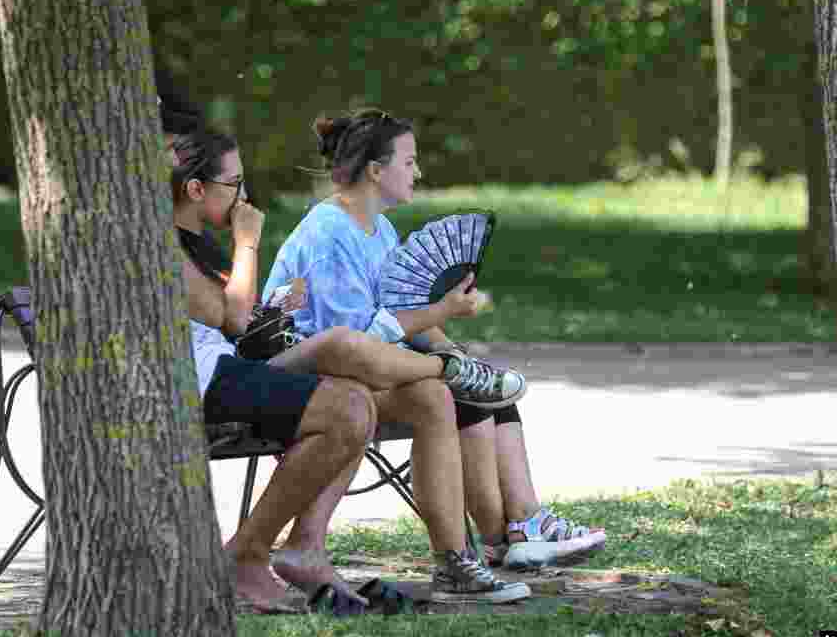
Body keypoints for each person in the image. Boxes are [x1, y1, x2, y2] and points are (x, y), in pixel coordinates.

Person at [166, 123, 530, 607]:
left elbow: (239, 322)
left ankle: (452, 561)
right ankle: (450, 369)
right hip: (215, 380)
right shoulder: (168, 245)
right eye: (234, 183)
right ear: (196, 189)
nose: (244, 197)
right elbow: (230, 318)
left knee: (421, 397)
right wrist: (248, 241)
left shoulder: (203, 246)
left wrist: (276, 306)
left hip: (245, 364)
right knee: (345, 352)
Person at [262, 109, 608, 570]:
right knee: (456, 392)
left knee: (485, 386)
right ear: (376, 170)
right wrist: (443, 313)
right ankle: (501, 538)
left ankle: (527, 522)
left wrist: (452, 350)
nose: (418, 172)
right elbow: (355, 343)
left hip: (369, 368)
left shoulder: (379, 228)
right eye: (409, 162)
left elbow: (400, 315)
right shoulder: (329, 234)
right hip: (320, 381)